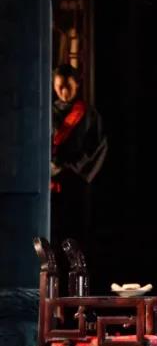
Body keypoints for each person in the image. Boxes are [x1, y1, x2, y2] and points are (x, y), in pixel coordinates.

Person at [50, 64, 107, 247]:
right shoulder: (47, 113)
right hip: (51, 183)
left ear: (77, 84)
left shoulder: (89, 115)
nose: (64, 91)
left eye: (68, 86)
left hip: (76, 183)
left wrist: (68, 167)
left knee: (76, 234)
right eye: (59, 86)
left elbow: (97, 148)